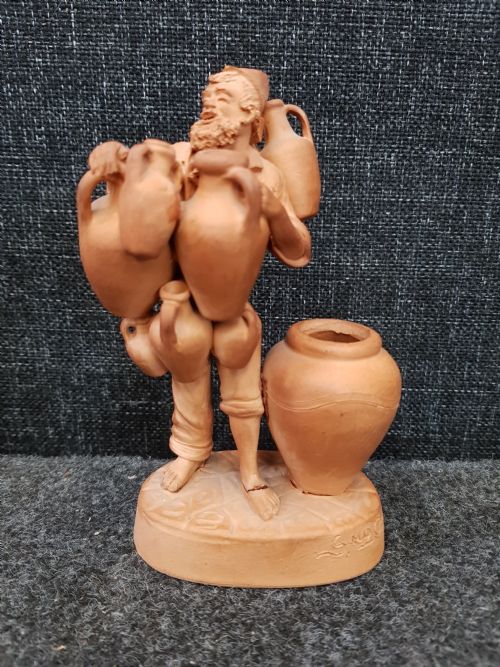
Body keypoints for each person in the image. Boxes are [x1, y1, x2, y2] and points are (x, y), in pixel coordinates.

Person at [87, 67, 312, 520]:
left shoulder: (265, 173)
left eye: (221, 98)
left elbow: (298, 251)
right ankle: (191, 452)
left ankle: (249, 470)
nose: (208, 104)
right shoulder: (179, 157)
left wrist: (273, 210)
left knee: (243, 392)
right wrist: (110, 158)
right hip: (182, 300)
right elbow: (131, 180)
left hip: (232, 305)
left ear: (249, 114)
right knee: (187, 379)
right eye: (207, 98)